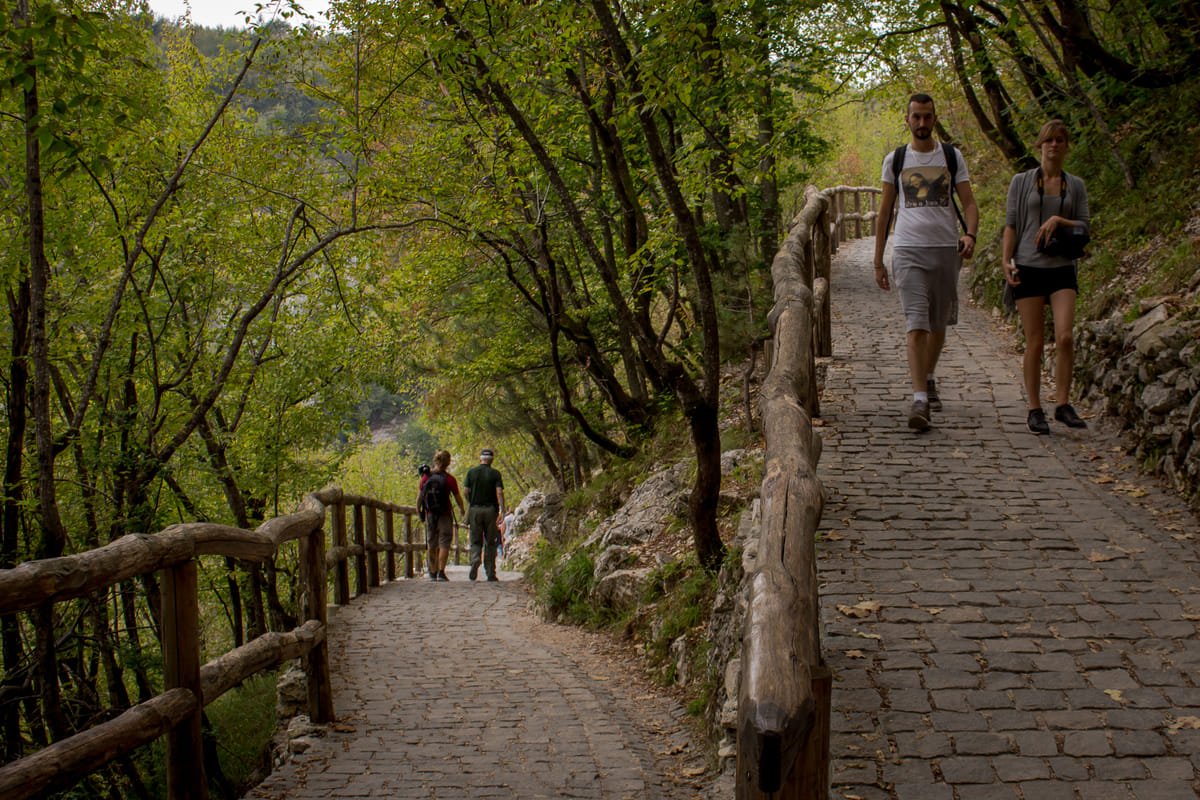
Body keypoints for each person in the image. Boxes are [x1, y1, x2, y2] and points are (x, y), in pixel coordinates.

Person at [874, 93, 979, 431]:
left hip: (946, 249)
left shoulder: (951, 156)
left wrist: (971, 235)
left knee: (938, 324)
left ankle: (929, 376)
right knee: (916, 324)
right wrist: (878, 259)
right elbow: (885, 211)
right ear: (907, 119)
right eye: (916, 117)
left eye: (927, 117)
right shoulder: (896, 159)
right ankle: (919, 399)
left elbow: (969, 203)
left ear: (935, 119)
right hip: (908, 250)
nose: (921, 123)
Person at [1002, 119, 1090, 435]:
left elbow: (1084, 227)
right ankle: (1034, 408)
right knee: (1035, 341)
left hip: (1063, 267)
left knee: (1065, 336)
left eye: (1060, 140)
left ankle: (1063, 404)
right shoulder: (1022, 182)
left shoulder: (1075, 185)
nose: (1054, 145)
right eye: (1049, 140)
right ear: (1039, 145)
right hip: (1028, 265)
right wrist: (1006, 260)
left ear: (1067, 146)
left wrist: (1057, 219)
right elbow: (1011, 224)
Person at [417, 450, 465, 581]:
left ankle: (432, 571)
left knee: (432, 541)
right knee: (444, 541)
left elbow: (420, 497)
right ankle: (441, 572)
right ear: (448, 463)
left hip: (430, 513)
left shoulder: (426, 477)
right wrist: (462, 509)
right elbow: (457, 497)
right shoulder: (450, 479)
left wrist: (419, 511)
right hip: (445, 513)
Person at [464, 448, 506, 582]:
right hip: (490, 510)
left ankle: (475, 559)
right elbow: (499, 492)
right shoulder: (495, 474)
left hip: (475, 509)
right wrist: (502, 510)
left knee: (475, 539)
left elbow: (465, 491)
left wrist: (471, 501)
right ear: (492, 460)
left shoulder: (471, 473)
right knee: (490, 541)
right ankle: (490, 572)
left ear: (480, 458)